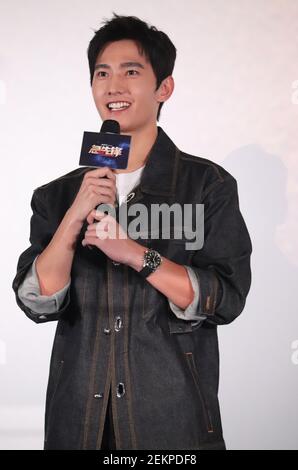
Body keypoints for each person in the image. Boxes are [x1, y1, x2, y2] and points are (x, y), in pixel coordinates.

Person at [12, 13, 252, 450]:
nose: (113, 86)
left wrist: (136, 253)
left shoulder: (207, 186)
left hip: (172, 423)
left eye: (131, 71)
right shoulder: (57, 195)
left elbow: (227, 298)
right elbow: (37, 300)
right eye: (102, 73)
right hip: (78, 424)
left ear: (164, 88)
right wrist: (74, 217)